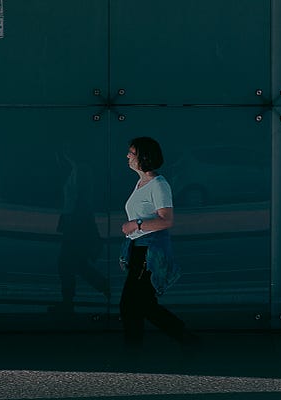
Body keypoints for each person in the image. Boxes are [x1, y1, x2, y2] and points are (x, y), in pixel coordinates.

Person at [118, 136, 197, 348]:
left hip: (149, 250)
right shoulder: (141, 183)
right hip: (138, 248)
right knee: (141, 304)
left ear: (143, 157)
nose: (127, 156)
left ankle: (133, 352)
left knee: (132, 304)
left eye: (131, 153)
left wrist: (136, 224)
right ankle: (186, 340)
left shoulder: (159, 185)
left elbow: (166, 220)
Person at [49, 146, 110, 314]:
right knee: (77, 265)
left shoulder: (81, 170)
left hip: (76, 222)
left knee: (67, 263)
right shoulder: (78, 168)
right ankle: (105, 290)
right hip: (76, 221)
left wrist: (72, 222)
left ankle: (70, 303)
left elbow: (80, 199)